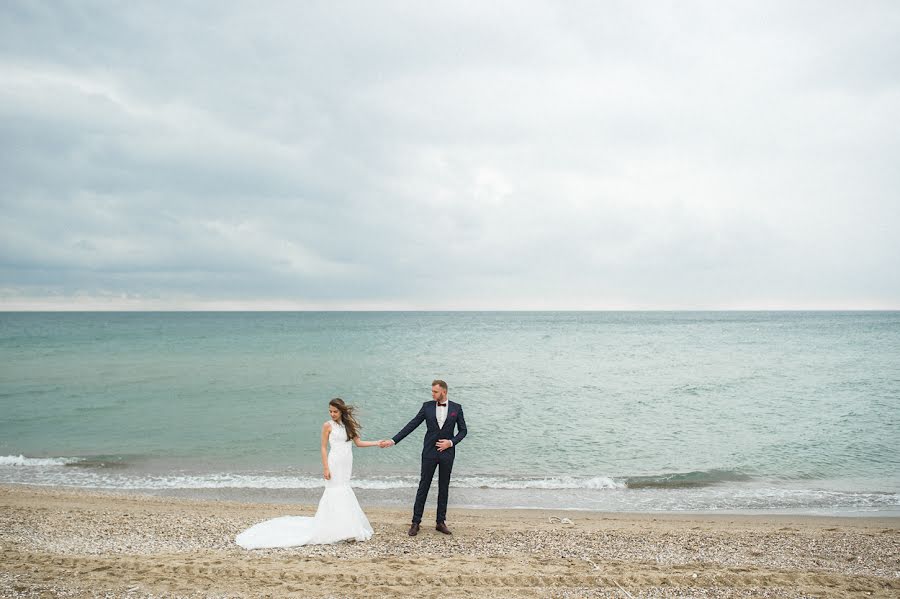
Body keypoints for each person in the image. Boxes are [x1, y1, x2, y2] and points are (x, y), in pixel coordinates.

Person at [236, 398, 380, 548]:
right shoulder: (327, 425)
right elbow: (323, 448)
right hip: (334, 462)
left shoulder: (348, 425)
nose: (332, 414)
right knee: (334, 491)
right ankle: (334, 528)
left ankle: (347, 527)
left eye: (335, 411)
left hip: (346, 463)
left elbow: (359, 443)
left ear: (342, 411)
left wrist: (377, 443)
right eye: (330, 411)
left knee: (344, 490)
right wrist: (326, 467)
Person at [380, 379, 467, 536]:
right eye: (432, 391)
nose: (432, 393)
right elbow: (412, 424)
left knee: (444, 486)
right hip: (429, 452)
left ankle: (440, 522)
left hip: (447, 453)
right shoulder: (426, 406)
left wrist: (451, 442)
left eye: (435, 391)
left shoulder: (456, 408)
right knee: (423, 486)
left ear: (444, 392)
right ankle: (415, 522)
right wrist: (393, 440)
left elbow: (463, 431)